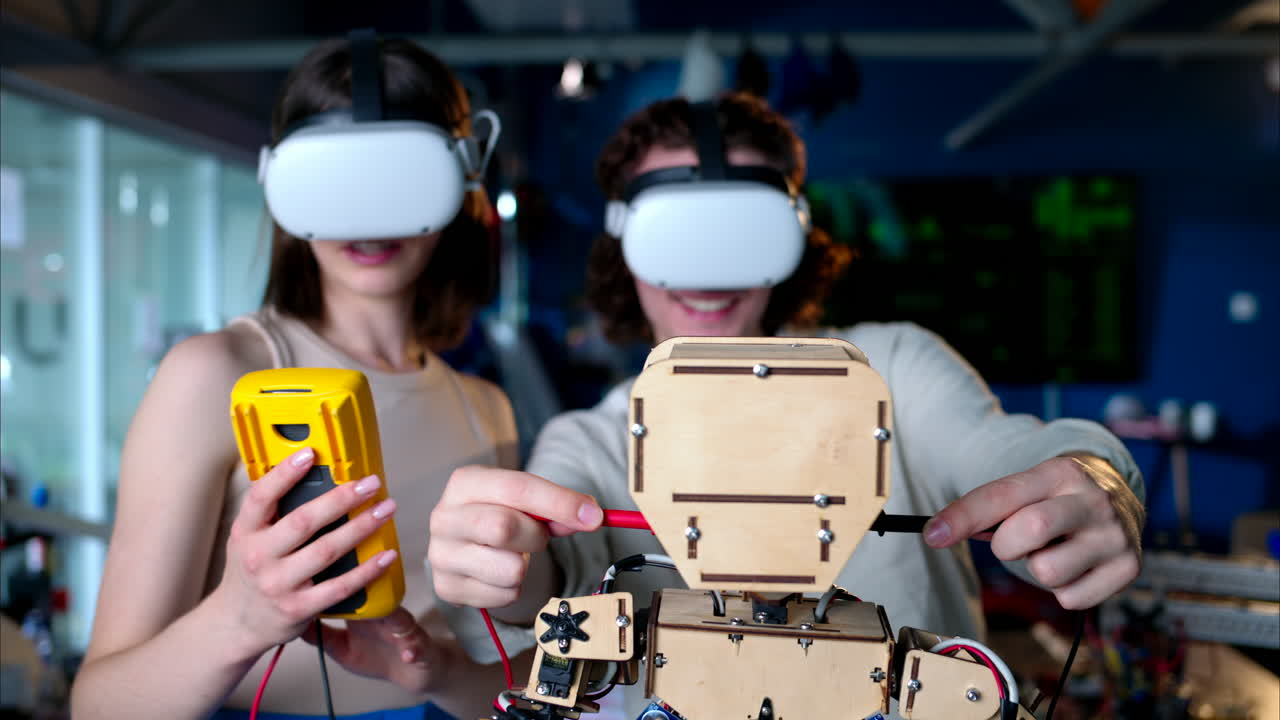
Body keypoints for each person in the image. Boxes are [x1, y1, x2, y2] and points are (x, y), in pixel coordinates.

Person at [427, 93, 1146, 715]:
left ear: (795, 230)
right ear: (625, 245)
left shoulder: (890, 369)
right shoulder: (593, 441)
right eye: (678, 230)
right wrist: (507, 565)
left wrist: (1097, 477)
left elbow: (1011, 453)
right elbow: (557, 575)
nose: (708, 270)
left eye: (741, 228)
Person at [71, 35, 529, 720]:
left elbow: (499, 684)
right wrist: (241, 618)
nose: (369, 217)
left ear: (463, 177)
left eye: (401, 179)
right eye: (336, 181)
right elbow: (99, 706)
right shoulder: (217, 374)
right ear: (282, 183)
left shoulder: (486, 409)